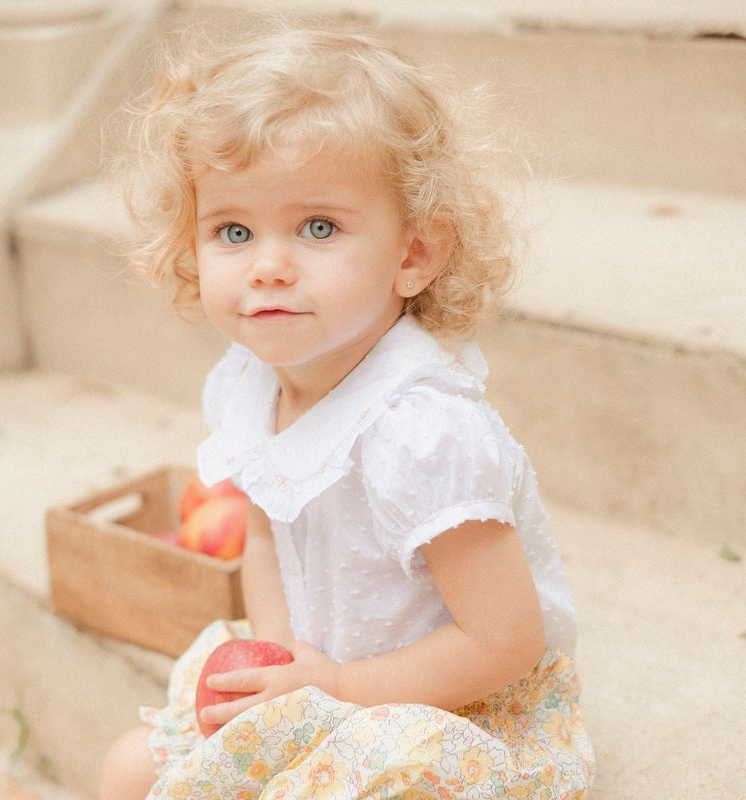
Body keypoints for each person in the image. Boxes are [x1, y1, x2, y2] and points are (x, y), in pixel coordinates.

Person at [100, 22, 594, 800]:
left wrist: (335, 685)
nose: (268, 266)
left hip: (443, 704)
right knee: (129, 769)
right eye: (234, 230)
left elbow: (504, 641)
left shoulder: (421, 432)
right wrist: (283, 664)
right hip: (323, 682)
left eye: (318, 227)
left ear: (412, 256)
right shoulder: (253, 383)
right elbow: (264, 529)